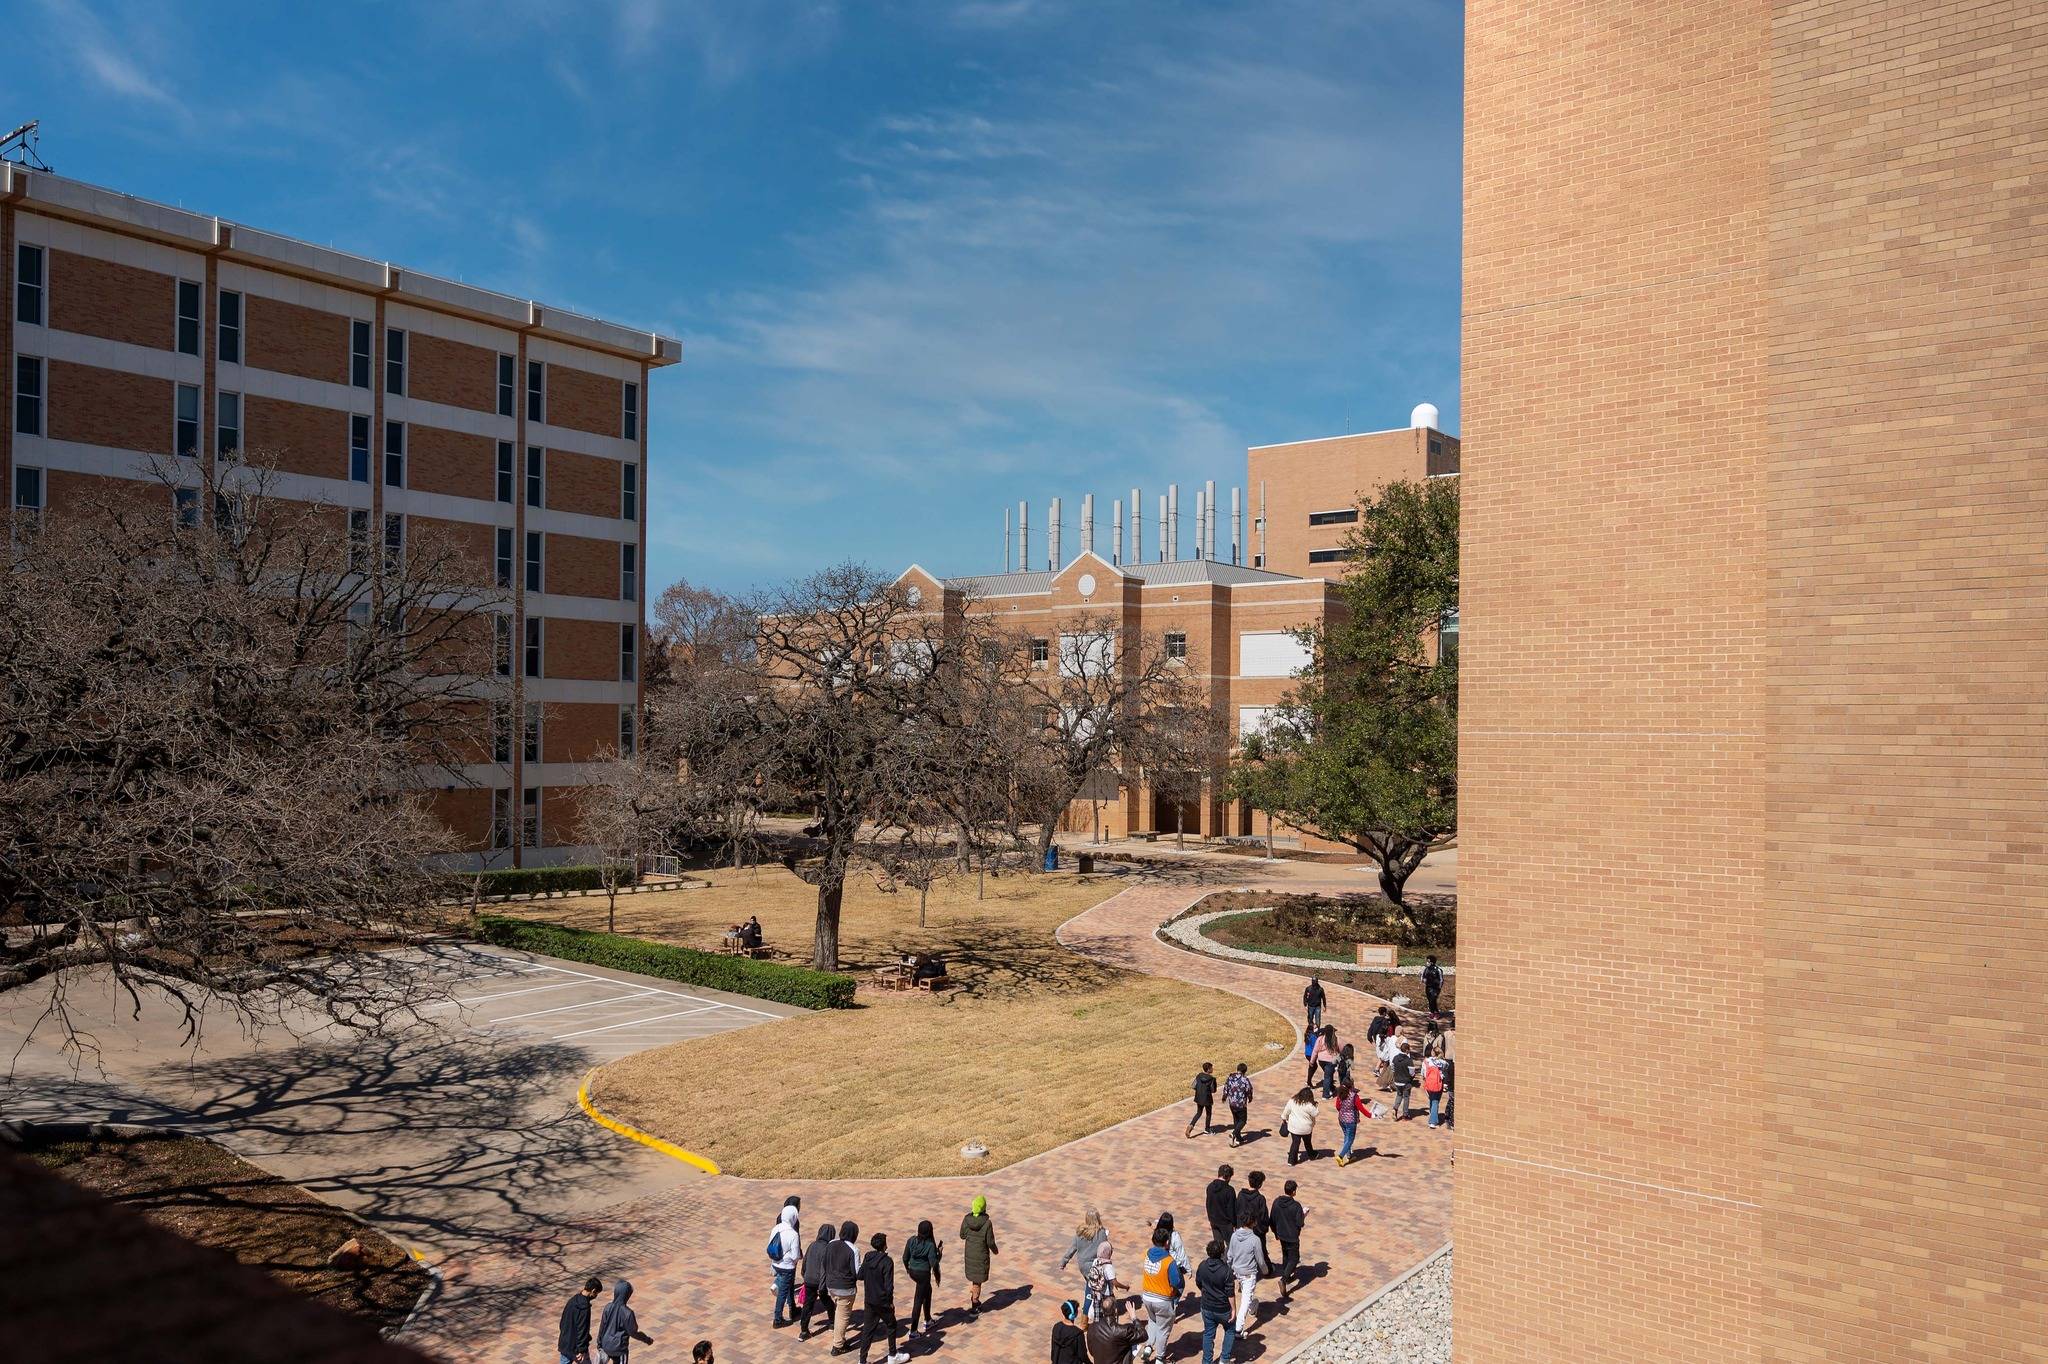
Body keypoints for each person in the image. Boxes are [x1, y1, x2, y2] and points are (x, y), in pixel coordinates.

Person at [851, 1232, 907, 1364]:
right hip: (882, 1302)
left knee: (868, 1331)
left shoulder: (868, 1257)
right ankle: (893, 1354)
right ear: (884, 1245)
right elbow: (889, 1286)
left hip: (869, 1300)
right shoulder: (887, 1262)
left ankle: (862, 1360)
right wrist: (890, 1302)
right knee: (891, 1325)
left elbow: (860, 1275)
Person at [1135, 1224, 1185, 1357]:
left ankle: (1148, 1347)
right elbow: (1176, 1282)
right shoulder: (1169, 1261)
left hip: (1147, 1297)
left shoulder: (1146, 1253)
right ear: (1167, 1242)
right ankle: (1160, 1357)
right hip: (1163, 1300)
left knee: (1152, 1321)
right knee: (1163, 1329)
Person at [1059, 1209, 1108, 1315]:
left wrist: (1064, 1262)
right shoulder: (1102, 1233)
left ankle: (1086, 1318)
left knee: (1089, 1285)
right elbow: (1105, 1250)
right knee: (1096, 1291)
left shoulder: (1080, 1233)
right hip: (1095, 1267)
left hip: (1083, 1266)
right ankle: (1093, 1314)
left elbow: (1072, 1249)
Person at [1195, 1241, 1237, 1364]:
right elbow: (1230, 1293)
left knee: (1208, 1334)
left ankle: (1206, 1361)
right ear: (1222, 1253)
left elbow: (1199, 1282)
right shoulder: (1226, 1271)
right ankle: (1224, 1359)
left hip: (1207, 1306)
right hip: (1223, 1308)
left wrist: (1205, 1292)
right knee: (1230, 1330)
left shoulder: (1202, 1266)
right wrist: (1233, 1309)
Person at [1227, 1211, 1268, 1334]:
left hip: (1237, 1272)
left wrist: (1229, 1268)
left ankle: (1253, 1307)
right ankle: (1238, 1329)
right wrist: (1265, 1271)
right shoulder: (1255, 1240)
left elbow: (1230, 1255)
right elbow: (1260, 1260)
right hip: (1249, 1273)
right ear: (1253, 1223)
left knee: (1247, 1296)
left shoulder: (1234, 1236)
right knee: (1245, 1300)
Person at [902, 1219, 942, 1338]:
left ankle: (928, 1319)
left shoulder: (911, 1240)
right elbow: (933, 1263)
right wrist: (939, 1254)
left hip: (913, 1272)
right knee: (918, 1301)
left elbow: (904, 1258)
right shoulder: (930, 1245)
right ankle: (913, 1330)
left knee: (927, 1291)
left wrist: (908, 1270)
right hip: (923, 1274)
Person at [595, 1281, 652, 1364]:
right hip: (619, 1349)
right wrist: (646, 1339)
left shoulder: (608, 1307)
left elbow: (602, 1327)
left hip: (605, 1344)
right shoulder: (628, 1313)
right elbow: (633, 1332)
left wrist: (600, 1343)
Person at [800, 1222, 840, 1340]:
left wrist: (804, 1275)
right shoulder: (827, 1249)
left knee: (807, 1306)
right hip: (819, 1282)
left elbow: (805, 1261)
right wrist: (822, 1287)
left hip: (808, 1280)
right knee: (827, 1301)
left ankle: (803, 1331)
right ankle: (833, 1322)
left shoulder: (812, 1245)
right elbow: (824, 1269)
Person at [827, 1220, 862, 1351]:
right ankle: (838, 1345)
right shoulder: (853, 1250)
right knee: (843, 1316)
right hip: (846, 1289)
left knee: (839, 1312)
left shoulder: (831, 1244)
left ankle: (840, 1338)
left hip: (831, 1286)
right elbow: (857, 1272)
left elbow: (825, 1262)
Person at [960, 1195, 998, 1313]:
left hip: (970, 1254)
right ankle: (974, 1305)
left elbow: (962, 1235)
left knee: (975, 1279)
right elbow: (990, 1241)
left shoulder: (967, 1219)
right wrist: (995, 1250)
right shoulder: (987, 1223)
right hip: (981, 1255)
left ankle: (974, 1295)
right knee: (977, 1281)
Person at [1269, 1180, 1305, 1301]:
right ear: (1294, 1191)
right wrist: (1303, 1215)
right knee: (1294, 1258)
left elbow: (1272, 1219)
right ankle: (1284, 1279)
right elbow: (1299, 1223)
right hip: (1292, 1236)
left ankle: (1287, 1275)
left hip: (1281, 1234)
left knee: (1285, 1254)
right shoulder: (1296, 1206)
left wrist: (1275, 1232)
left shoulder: (1276, 1202)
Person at [768, 1202, 802, 1328]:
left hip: (776, 1263)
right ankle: (778, 1319)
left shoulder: (776, 1228)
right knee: (783, 1293)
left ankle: (792, 1308)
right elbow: (795, 1255)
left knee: (785, 1288)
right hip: (787, 1267)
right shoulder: (793, 1234)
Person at [557, 1275, 602, 1364]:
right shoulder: (584, 1308)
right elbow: (582, 1329)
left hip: (565, 1344)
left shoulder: (572, 1300)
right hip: (577, 1348)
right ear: (593, 1291)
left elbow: (562, 1322)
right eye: (596, 1293)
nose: (595, 1296)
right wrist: (581, 1350)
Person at [1086, 1305, 1151, 1364]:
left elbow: (1091, 1351)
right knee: (1131, 1343)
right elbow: (1144, 1335)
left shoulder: (1092, 1327)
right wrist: (1134, 1318)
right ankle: (1144, 1354)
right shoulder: (1123, 1330)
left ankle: (1142, 1353)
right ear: (1116, 1311)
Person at [1234, 1170, 1270, 1268]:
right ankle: (1267, 1269)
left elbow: (1237, 1210)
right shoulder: (1260, 1198)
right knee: (1261, 1250)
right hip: (1257, 1230)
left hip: (1243, 1227)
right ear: (1260, 1184)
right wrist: (1264, 1229)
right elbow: (1264, 1217)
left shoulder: (1241, 1195)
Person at [1280, 1087, 1319, 1166]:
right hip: (1306, 1128)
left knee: (1295, 1143)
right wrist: (1315, 1105)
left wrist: (1284, 1118)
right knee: (1307, 1142)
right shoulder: (1309, 1105)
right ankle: (1312, 1155)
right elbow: (1316, 1113)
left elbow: (1286, 1111)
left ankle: (1291, 1160)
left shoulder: (1292, 1101)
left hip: (1294, 1128)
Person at [1085, 1242, 1121, 1324]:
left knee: (1097, 1312)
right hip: (1106, 1294)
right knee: (1110, 1311)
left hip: (1095, 1291)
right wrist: (1125, 1287)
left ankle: (1097, 1327)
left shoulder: (1096, 1261)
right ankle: (1109, 1327)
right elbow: (1115, 1282)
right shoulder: (1108, 1267)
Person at [1333, 1080, 1366, 1165]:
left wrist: (1344, 1112)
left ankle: (1349, 1156)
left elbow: (1337, 1107)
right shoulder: (1354, 1096)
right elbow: (1361, 1108)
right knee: (1350, 1139)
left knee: (1346, 1137)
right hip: (1351, 1121)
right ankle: (1340, 1156)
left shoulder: (1340, 1094)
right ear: (1351, 1086)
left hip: (1341, 1119)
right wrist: (1371, 1115)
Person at [1222, 1064, 1253, 1147]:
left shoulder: (1230, 1077)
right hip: (1241, 1104)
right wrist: (1250, 1098)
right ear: (1245, 1071)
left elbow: (1226, 1088)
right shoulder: (1245, 1080)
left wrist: (1224, 1098)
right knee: (1243, 1120)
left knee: (1236, 1120)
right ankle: (1234, 1133)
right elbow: (1249, 1090)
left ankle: (1238, 1138)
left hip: (1232, 1103)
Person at [1205, 1164, 1237, 1247]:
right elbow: (1231, 1209)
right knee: (1231, 1245)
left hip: (1213, 1220)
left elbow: (1208, 1203)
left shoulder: (1210, 1187)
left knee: (1219, 1245)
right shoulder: (1229, 1190)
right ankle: (1227, 1259)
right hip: (1225, 1222)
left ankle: (1220, 1259)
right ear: (1228, 1177)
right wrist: (1234, 1223)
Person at [1051, 1299, 1089, 1364]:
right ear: (1074, 1314)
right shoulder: (1078, 1334)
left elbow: (1054, 1349)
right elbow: (1082, 1355)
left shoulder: (1056, 1327)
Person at [1187, 1061, 1218, 1137]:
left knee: (1199, 1113)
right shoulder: (1212, 1079)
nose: (1212, 1069)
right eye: (1211, 1068)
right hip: (1207, 1099)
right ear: (1208, 1069)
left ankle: (1191, 1126)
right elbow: (1213, 1090)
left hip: (1198, 1097)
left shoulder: (1199, 1076)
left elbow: (1193, 1086)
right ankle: (1207, 1129)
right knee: (1208, 1113)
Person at [1421, 1052, 1449, 1127]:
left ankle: (1432, 1114)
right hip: (1438, 1084)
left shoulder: (1426, 1061)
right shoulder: (1443, 1063)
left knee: (1432, 1099)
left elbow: (1423, 1073)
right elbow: (1446, 1070)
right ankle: (1433, 1121)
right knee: (1435, 1101)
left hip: (1429, 1083)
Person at [1390, 1045, 1416, 1120]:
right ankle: (1405, 1114)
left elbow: (1392, 1068)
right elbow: (1412, 1073)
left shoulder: (1395, 1058)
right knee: (1406, 1097)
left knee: (1399, 1095)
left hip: (1397, 1081)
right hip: (1406, 1082)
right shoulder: (1408, 1060)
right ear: (1407, 1050)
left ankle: (1395, 1109)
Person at [1314, 1026, 1340, 1098]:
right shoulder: (1335, 1039)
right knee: (1327, 1077)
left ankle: (1331, 1087)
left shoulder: (1320, 1038)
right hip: (1331, 1061)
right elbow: (1340, 1049)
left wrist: (1312, 1061)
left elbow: (1315, 1050)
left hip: (1321, 1060)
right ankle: (1325, 1095)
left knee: (1329, 1074)